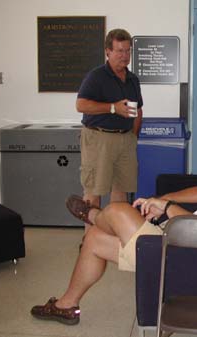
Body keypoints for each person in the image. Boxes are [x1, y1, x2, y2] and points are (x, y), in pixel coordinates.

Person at [31, 143, 197, 325]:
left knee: (118, 211)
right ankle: (66, 305)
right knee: (95, 240)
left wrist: (165, 208)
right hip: (179, 242)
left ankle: (93, 215)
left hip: (184, 258)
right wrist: (162, 198)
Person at [76, 28, 143, 230]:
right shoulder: (96, 76)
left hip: (126, 140)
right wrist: (113, 108)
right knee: (94, 191)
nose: (124, 55)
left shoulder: (132, 79)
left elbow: (138, 110)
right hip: (99, 139)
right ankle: (89, 238)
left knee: (121, 191)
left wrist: (133, 137)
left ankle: (114, 233)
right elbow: (81, 105)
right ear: (108, 51)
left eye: (127, 51)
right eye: (119, 51)